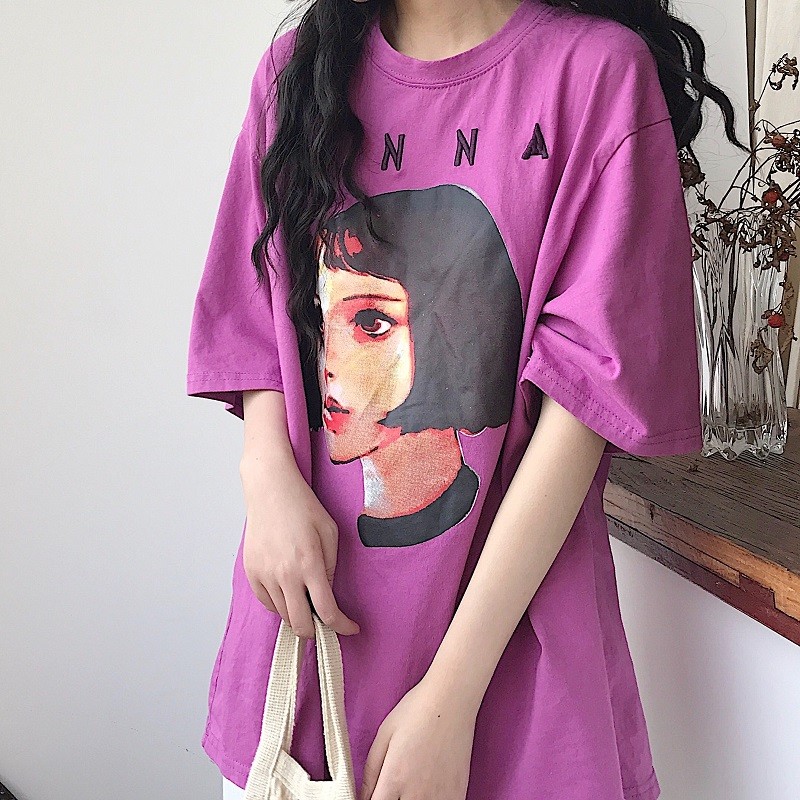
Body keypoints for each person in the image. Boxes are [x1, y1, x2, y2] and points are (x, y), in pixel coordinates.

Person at [186, 1, 742, 798]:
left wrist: (451, 699)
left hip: (508, 676)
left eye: (373, 324)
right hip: (303, 651)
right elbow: (252, 314)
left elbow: (582, 410)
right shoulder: (295, 73)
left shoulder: (596, 76)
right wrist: (265, 477)